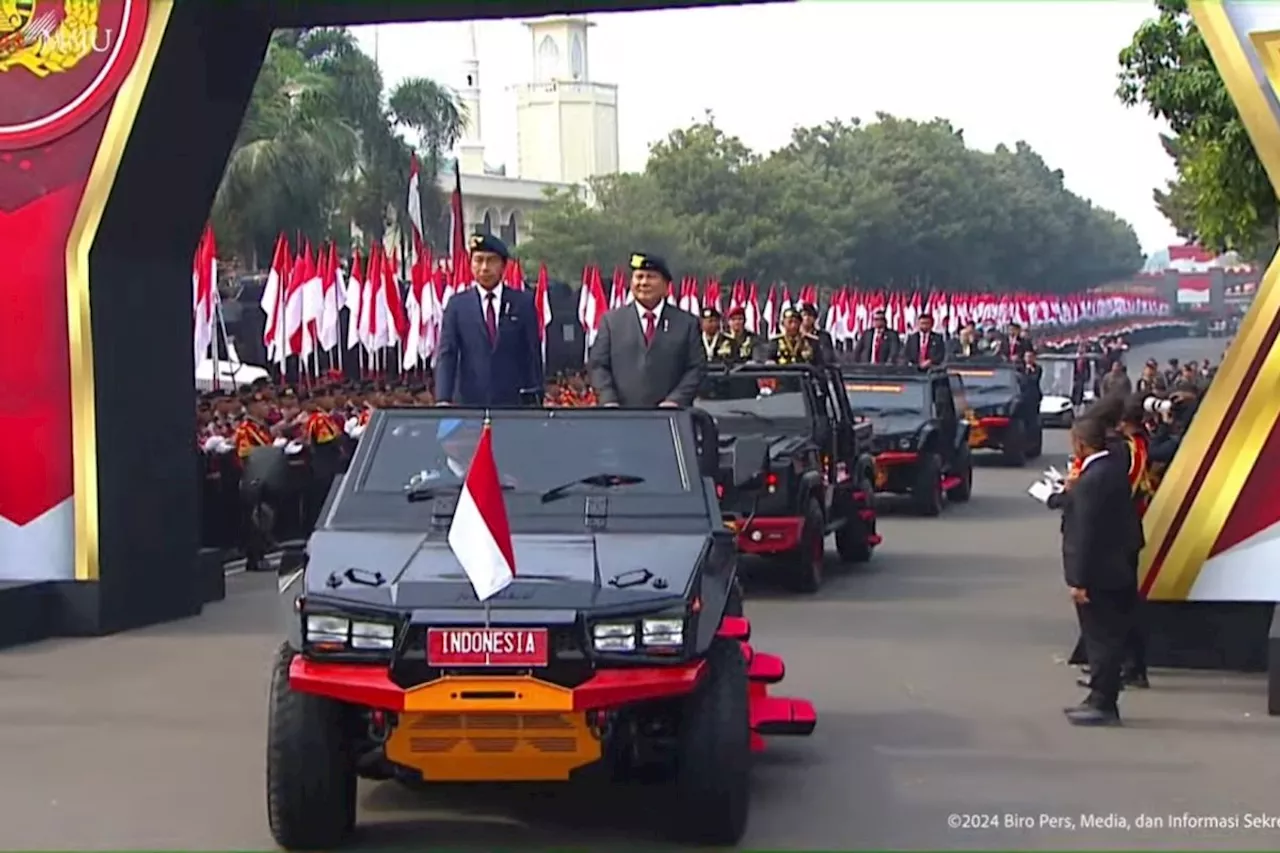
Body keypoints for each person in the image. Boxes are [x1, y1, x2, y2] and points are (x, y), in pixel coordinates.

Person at [1054, 417, 1144, 726]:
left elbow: (1085, 533)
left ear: (1081, 443)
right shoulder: (1111, 468)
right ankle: (1097, 695)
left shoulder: (1093, 480)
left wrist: (1078, 580)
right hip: (1117, 564)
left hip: (1100, 572)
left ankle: (1104, 703)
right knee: (1104, 636)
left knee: (1101, 638)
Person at [435, 232, 544, 407]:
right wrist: (443, 398)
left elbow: (532, 354)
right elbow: (447, 354)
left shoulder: (522, 303)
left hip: (512, 405)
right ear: (470, 265)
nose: (484, 268)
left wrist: (536, 398)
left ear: (503, 266)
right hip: (469, 404)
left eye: (491, 260)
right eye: (478, 260)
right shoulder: (457, 305)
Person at [587, 252, 705, 408]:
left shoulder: (686, 323)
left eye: (651, 277)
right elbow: (598, 365)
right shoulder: (612, 322)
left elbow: (696, 368)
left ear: (666, 286)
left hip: (671, 417)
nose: (643, 282)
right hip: (622, 416)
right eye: (639, 276)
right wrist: (609, 400)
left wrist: (675, 400)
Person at [758, 307, 825, 365]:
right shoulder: (775, 341)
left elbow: (819, 365)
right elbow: (769, 362)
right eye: (790, 322)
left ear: (800, 323)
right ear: (783, 324)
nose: (793, 326)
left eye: (796, 322)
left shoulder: (811, 341)